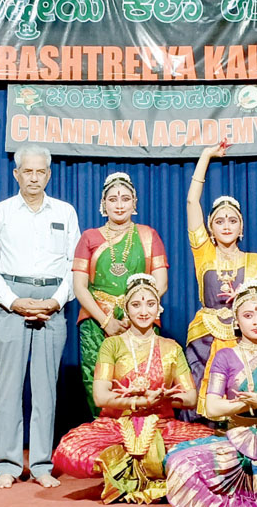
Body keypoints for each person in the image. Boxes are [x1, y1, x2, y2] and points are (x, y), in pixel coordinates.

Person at [53, 274, 212, 503]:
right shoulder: (112, 344)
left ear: (159, 309)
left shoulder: (171, 347)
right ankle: (143, 469)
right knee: (69, 449)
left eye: (150, 304)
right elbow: (100, 397)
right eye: (136, 305)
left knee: (213, 446)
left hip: (162, 427)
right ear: (126, 309)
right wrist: (137, 402)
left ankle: (138, 470)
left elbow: (190, 398)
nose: (144, 311)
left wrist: (162, 400)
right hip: (118, 428)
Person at [0, 145, 80, 489]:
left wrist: (55, 300)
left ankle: (40, 464)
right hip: (11, 302)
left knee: (45, 389)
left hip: (53, 303)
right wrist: (12, 301)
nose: (34, 178)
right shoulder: (0, 212)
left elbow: (74, 265)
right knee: (8, 388)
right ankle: (7, 464)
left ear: (48, 175)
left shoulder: (65, 212)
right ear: (16, 174)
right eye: (28, 171)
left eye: (41, 172)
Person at [164, 280, 257, 507]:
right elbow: (213, 407)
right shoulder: (225, 356)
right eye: (248, 315)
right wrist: (247, 404)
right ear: (236, 320)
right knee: (179, 463)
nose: (256, 321)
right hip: (236, 438)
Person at [185, 141, 257, 420]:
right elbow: (191, 202)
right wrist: (206, 155)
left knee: (241, 394)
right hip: (205, 338)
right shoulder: (204, 253)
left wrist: (251, 298)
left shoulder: (255, 261)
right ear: (210, 227)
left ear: (241, 227)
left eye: (232, 220)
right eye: (219, 221)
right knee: (201, 403)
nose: (226, 225)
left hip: (241, 337)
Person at [74, 172, 168, 416]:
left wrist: (136, 312)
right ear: (103, 204)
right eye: (112, 199)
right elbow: (79, 287)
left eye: (125, 199)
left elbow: (162, 283)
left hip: (141, 319)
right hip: (96, 321)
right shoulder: (89, 237)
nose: (119, 204)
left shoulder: (149, 236)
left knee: (141, 378)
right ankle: (104, 437)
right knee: (97, 378)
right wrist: (106, 321)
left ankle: (140, 438)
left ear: (134, 203)